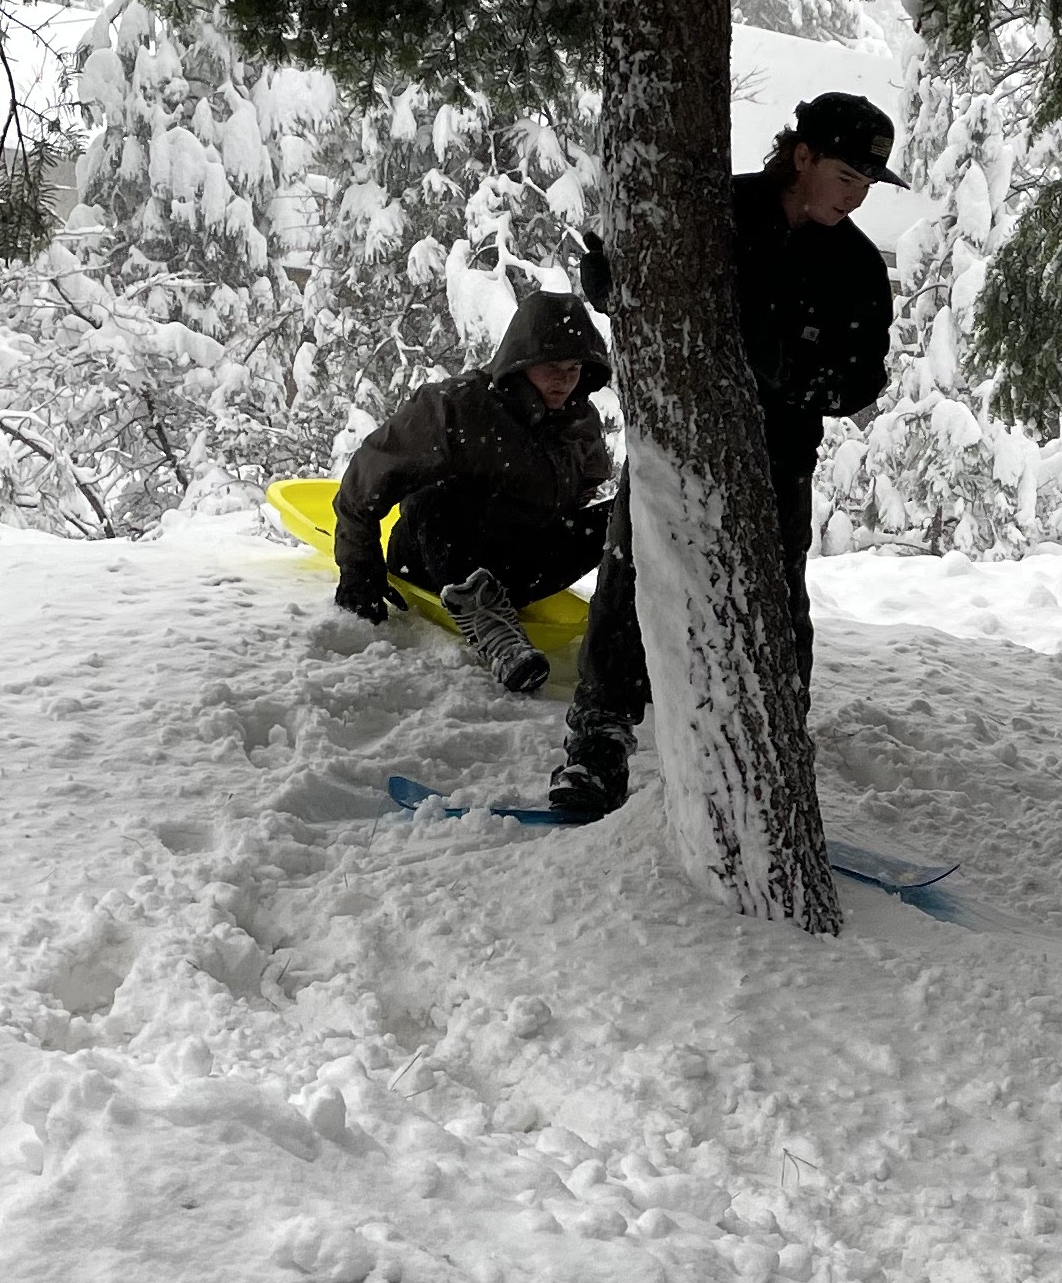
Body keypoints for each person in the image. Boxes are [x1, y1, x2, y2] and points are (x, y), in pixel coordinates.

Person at [548, 92, 899, 819]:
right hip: (675, 437)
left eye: (868, 184)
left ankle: (777, 744)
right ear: (801, 156)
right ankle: (598, 742)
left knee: (775, 604)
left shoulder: (858, 265)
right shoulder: (716, 212)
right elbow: (640, 283)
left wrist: (794, 375)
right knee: (632, 578)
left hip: (779, 458)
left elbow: (863, 378)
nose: (856, 197)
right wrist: (610, 283)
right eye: (846, 177)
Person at [329, 283, 615, 698]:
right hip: (435, 562)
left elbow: (583, 491)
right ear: (521, 361)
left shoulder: (578, 422)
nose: (564, 380)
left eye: (573, 368)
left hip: (519, 565)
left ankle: (629, 639)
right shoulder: (456, 405)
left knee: (627, 514)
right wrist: (359, 574)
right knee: (435, 496)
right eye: (552, 366)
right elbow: (365, 480)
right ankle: (495, 635)